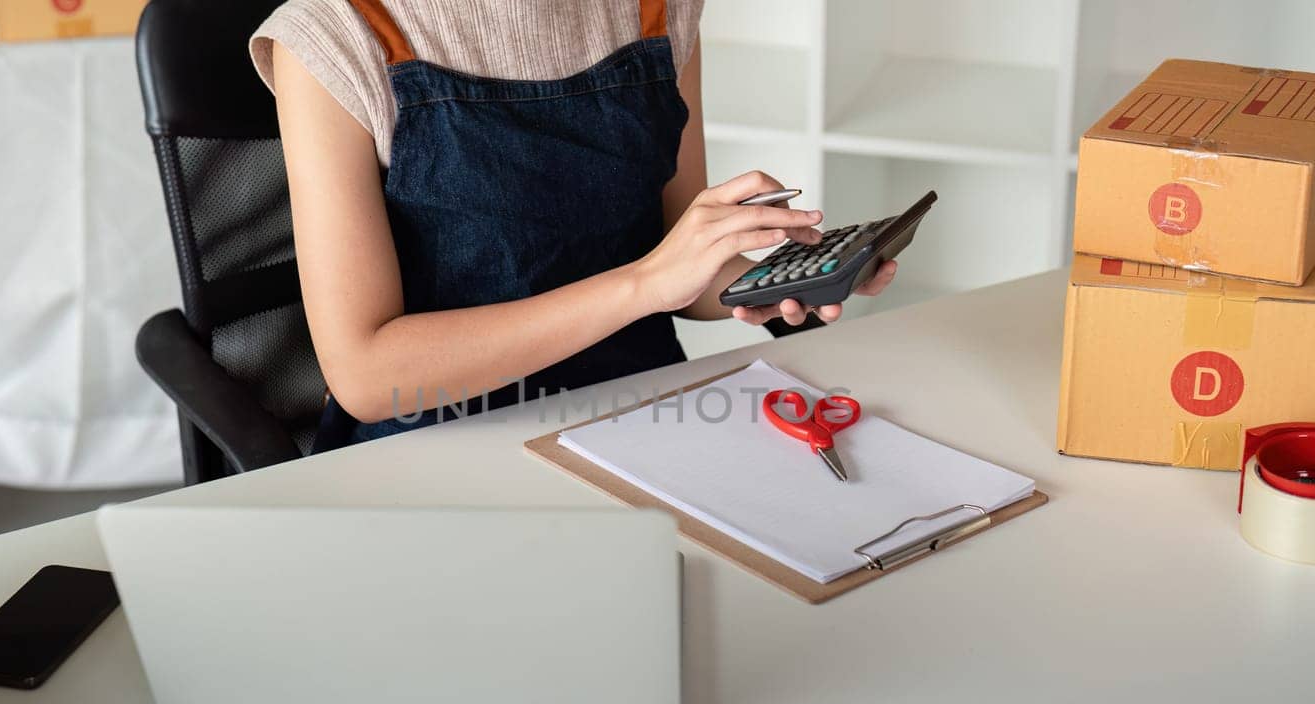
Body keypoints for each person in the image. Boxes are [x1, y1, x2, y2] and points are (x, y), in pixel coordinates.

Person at [250, 0, 897, 450]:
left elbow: (680, 268)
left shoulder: (658, 10)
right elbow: (365, 376)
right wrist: (645, 284)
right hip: (438, 446)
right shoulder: (332, 35)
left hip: (641, 416)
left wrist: (778, 282)